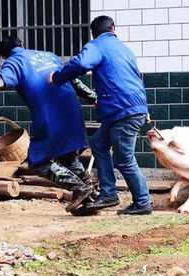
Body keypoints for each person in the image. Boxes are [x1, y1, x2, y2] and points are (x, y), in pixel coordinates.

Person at [0, 36, 97, 213]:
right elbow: (74, 81)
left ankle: (80, 189)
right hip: (72, 109)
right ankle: (91, 201)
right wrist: (94, 98)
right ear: (23, 45)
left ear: (4, 56)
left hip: (51, 114)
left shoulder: (14, 62)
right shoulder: (48, 56)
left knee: (38, 162)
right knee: (69, 158)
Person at [48, 15, 152, 215]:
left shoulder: (96, 45)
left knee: (124, 159)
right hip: (126, 108)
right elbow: (128, 78)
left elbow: (81, 64)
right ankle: (109, 193)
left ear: (92, 33)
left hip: (122, 110)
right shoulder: (124, 49)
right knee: (99, 144)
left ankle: (142, 202)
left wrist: (58, 77)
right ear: (114, 29)